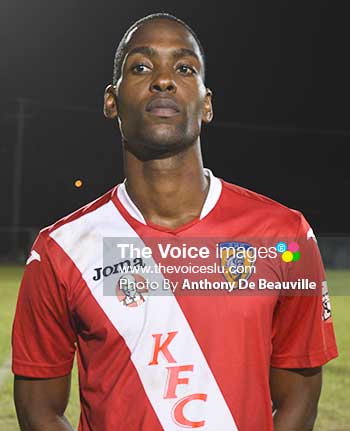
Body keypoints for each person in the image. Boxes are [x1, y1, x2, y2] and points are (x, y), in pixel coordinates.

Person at [12, 13, 338, 431]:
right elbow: (38, 410)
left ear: (206, 104)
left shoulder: (283, 235)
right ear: (111, 101)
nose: (163, 80)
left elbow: (300, 401)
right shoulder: (61, 250)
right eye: (141, 67)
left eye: (184, 68)